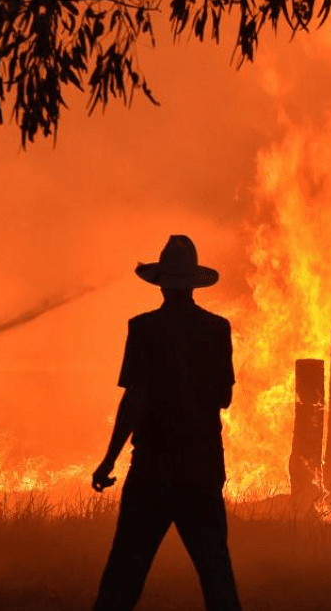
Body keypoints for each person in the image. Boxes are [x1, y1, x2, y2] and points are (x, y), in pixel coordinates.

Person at [91, 235, 242, 611]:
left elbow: (134, 401)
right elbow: (224, 399)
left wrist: (109, 460)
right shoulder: (216, 330)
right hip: (201, 470)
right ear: (193, 284)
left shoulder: (142, 329)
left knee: (123, 577)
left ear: (161, 285)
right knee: (217, 577)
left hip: (152, 471)